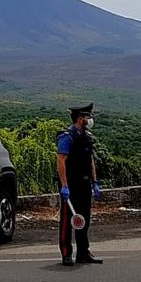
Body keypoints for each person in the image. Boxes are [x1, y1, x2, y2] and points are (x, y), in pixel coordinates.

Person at [56, 103, 104, 266]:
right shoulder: (67, 136)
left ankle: (83, 252)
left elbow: (90, 160)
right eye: (87, 117)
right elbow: (61, 161)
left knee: (85, 219)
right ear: (80, 118)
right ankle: (66, 253)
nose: (89, 120)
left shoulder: (87, 137)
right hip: (71, 185)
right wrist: (64, 185)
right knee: (67, 222)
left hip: (84, 184)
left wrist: (95, 181)